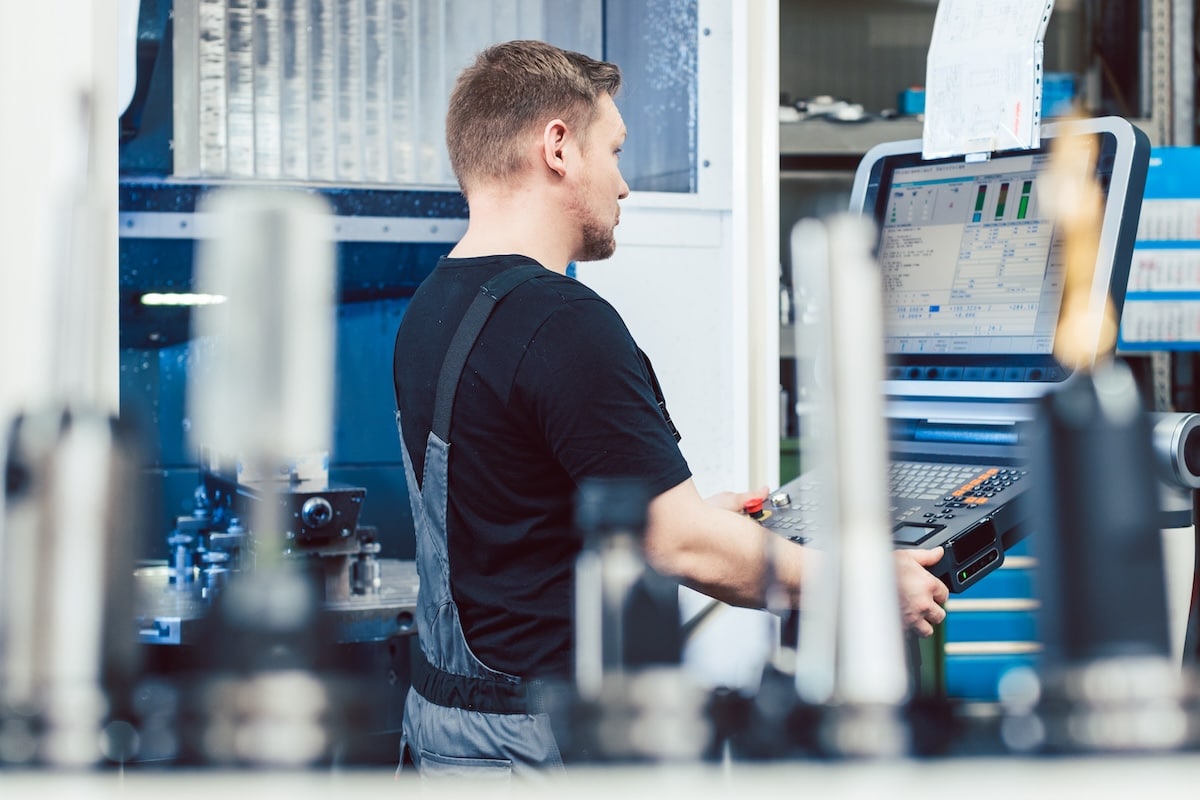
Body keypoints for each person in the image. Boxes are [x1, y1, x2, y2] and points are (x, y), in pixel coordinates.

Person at [391, 39, 949, 779]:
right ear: (558, 147)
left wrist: (666, 510)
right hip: (533, 746)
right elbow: (680, 546)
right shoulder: (561, 322)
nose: (623, 186)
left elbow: (505, 523)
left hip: (442, 733)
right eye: (614, 150)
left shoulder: (431, 307)